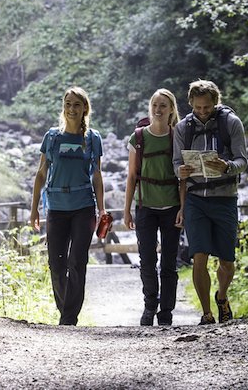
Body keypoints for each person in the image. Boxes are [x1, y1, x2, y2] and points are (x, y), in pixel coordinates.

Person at [172, 79, 247, 325]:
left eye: (207, 107)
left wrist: (227, 166)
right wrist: (180, 171)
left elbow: (242, 161)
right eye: (198, 108)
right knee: (199, 257)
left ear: (216, 102)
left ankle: (222, 296)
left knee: (227, 260)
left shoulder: (231, 123)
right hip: (195, 200)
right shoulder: (184, 128)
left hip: (225, 198)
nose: (202, 112)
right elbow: (175, 163)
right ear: (191, 104)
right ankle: (206, 312)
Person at [30, 86, 106, 325]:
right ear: (63, 108)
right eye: (68, 104)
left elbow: (97, 175)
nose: (71, 109)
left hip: (84, 207)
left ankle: (68, 318)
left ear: (85, 109)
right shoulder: (52, 137)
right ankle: (66, 310)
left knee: (77, 261)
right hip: (57, 207)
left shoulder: (93, 139)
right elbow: (41, 174)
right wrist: (34, 208)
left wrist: (102, 209)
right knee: (56, 263)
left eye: (76, 105)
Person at [123, 89, 184, 326]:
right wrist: (126, 210)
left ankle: (166, 311)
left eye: (163, 106)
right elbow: (131, 177)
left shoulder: (177, 137)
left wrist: (183, 208)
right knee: (147, 260)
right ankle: (150, 306)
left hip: (171, 208)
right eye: (155, 106)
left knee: (169, 262)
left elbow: (183, 178)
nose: (158, 110)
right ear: (151, 108)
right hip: (145, 207)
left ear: (171, 110)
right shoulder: (138, 137)